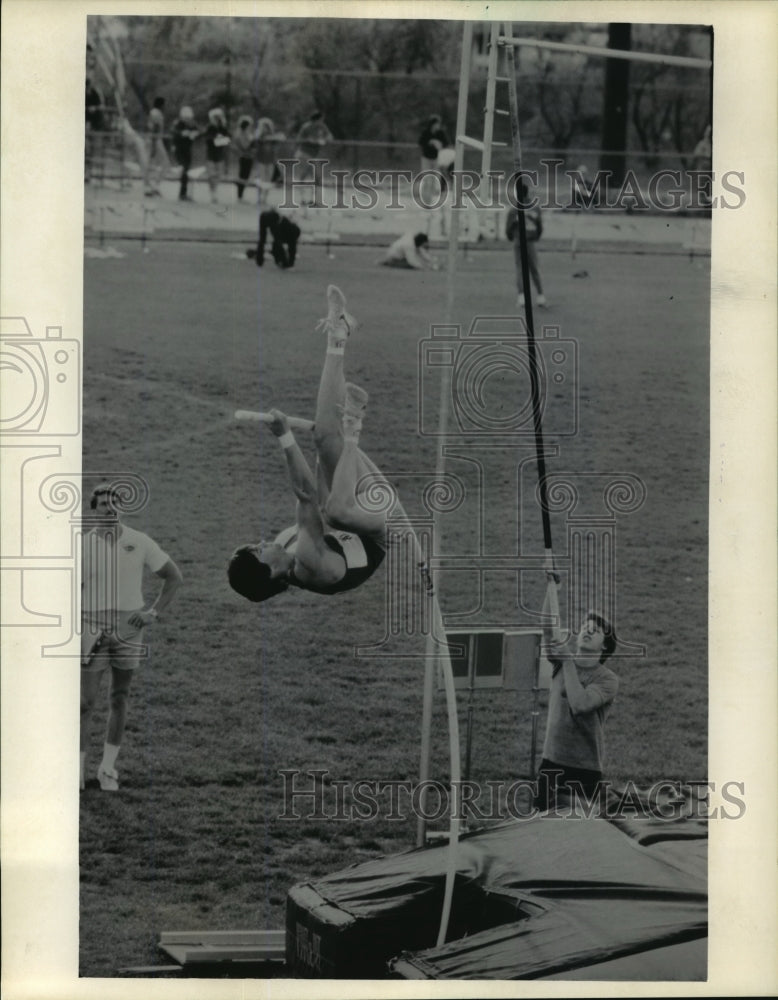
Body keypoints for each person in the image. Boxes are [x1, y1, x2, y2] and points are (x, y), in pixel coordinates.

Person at [228, 286, 390, 602]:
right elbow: (307, 495)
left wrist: (323, 447)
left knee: (323, 436)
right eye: (258, 550)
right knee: (334, 512)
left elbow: (308, 496)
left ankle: (338, 333)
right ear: (270, 572)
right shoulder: (310, 566)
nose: (261, 542)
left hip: (352, 510)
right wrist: (285, 437)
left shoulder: (287, 544)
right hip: (382, 528)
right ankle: (353, 427)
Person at [80, 483, 183, 791]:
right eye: (104, 505)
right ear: (93, 510)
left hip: (129, 628)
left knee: (119, 697)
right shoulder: (82, 546)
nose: (111, 509)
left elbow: (174, 576)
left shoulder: (139, 541)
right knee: (84, 702)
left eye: (115, 504)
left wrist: (153, 612)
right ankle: (77, 769)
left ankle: (108, 768)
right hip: (92, 627)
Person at [534, 575, 618, 812]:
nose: (587, 632)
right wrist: (551, 587)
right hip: (552, 762)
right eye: (584, 628)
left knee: (578, 839)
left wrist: (568, 661)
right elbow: (548, 630)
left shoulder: (607, 679)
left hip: (584, 769)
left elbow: (580, 705)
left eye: (595, 631)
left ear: (604, 646)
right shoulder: (562, 662)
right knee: (540, 831)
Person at [506, 179, 548, 308]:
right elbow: (540, 227)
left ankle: (522, 297)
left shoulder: (514, 210)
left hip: (519, 241)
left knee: (520, 269)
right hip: (530, 241)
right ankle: (540, 296)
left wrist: (512, 237)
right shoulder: (535, 208)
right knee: (534, 268)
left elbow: (508, 229)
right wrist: (536, 236)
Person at [293, 110, 333, 204]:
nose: (322, 121)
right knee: (304, 176)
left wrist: (324, 139)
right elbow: (299, 139)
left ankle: (314, 200)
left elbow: (330, 137)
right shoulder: (307, 126)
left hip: (314, 156)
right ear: (317, 119)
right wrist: (310, 140)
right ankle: (302, 198)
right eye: (321, 119)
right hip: (304, 154)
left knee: (317, 177)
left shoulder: (322, 127)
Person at [418, 114, 450, 203]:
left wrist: (439, 143)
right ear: (432, 124)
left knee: (435, 178)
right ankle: (425, 199)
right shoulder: (426, 132)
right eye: (436, 124)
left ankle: (431, 198)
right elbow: (420, 142)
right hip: (426, 159)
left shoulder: (440, 133)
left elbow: (446, 144)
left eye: (438, 124)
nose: (438, 126)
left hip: (436, 159)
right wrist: (430, 142)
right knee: (427, 178)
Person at [171, 105, 200, 202]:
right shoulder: (178, 124)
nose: (187, 120)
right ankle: (182, 193)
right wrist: (182, 133)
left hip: (187, 149)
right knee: (184, 169)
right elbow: (174, 132)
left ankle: (183, 193)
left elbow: (198, 131)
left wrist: (195, 134)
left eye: (189, 118)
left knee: (186, 170)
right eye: (186, 118)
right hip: (179, 149)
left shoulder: (192, 124)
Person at [143, 96, 170, 197]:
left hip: (153, 139)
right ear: (161, 104)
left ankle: (151, 187)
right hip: (155, 140)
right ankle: (152, 187)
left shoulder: (153, 112)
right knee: (165, 164)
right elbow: (154, 127)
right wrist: (154, 144)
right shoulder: (156, 113)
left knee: (152, 165)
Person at [204, 107, 231, 205]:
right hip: (211, 153)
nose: (217, 119)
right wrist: (219, 140)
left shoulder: (223, 128)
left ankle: (215, 190)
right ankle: (212, 193)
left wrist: (220, 140)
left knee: (219, 174)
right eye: (215, 117)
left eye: (218, 117)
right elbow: (208, 140)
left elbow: (228, 139)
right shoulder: (210, 128)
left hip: (220, 154)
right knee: (211, 175)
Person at [233, 114, 256, 201]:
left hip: (249, 157)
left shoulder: (248, 133)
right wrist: (250, 139)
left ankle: (241, 195)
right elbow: (245, 145)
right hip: (244, 157)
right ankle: (240, 195)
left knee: (246, 176)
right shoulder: (241, 134)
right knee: (243, 175)